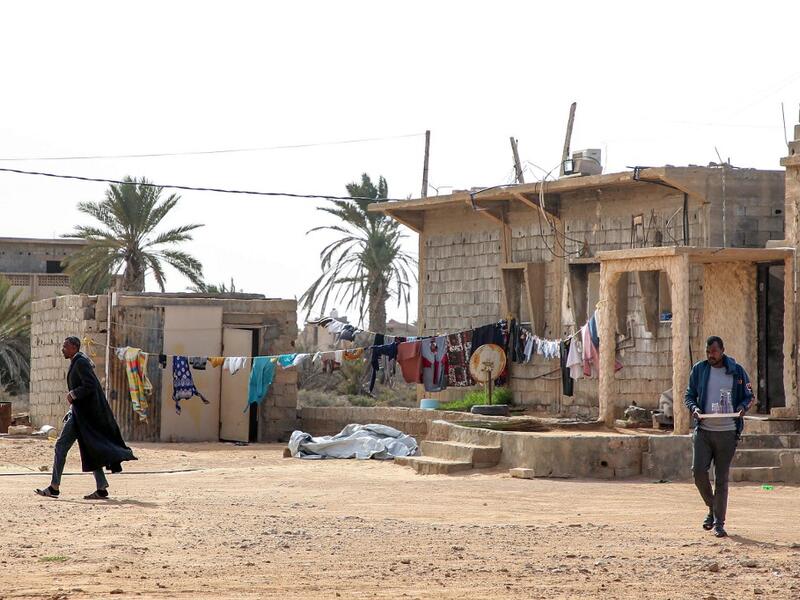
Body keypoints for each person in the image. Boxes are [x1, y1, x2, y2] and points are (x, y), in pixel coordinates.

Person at [35, 336, 137, 500]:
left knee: (61, 446)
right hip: (78, 415)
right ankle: (101, 488)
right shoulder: (78, 361)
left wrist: (73, 394)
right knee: (89, 448)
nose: (63, 349)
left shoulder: (81, 362)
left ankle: (54, 487)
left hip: (82, 416)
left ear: (74, 347)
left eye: (65, 346)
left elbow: (90, 385)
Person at [684, 335, 752, 538]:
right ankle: (712, 508)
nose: (710, 355)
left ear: (722, 350)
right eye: (707, 352)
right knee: (698, 472)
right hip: (704, 431)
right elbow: (689, 396)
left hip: (727, 433)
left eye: (713, 351)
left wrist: (741, 408)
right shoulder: (699, 369)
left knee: (721, 479)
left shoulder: (737, 371)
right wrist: (694, 408)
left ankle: (719, 523)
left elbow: (749, 397)